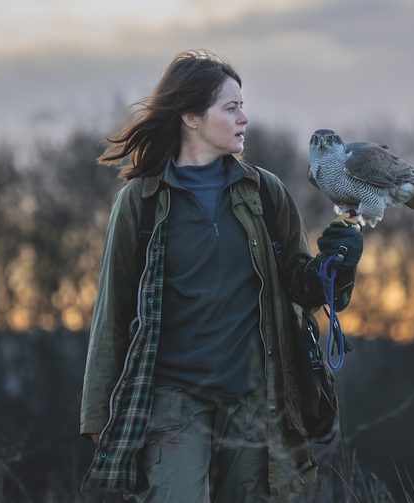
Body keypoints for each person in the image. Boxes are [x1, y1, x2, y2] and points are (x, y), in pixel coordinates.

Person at [80, 50, 363, 502]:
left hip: (254, 396)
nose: (244, 118)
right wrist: (97, 414)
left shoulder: (266, 193)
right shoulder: (141, 202)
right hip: (171, 397)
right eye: (230, 108)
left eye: (242, 106)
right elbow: (112, 310)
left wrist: (337, 265)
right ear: (191, 116)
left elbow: (301, 287)